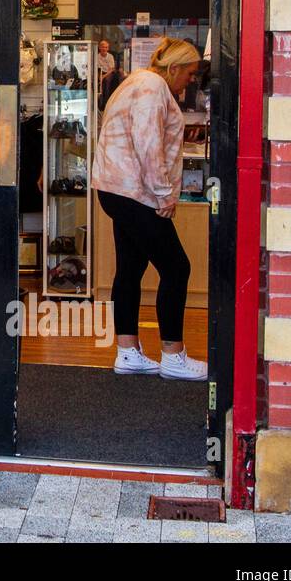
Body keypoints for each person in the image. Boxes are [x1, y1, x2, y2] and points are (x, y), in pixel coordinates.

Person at [91, 37, 206, 380]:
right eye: (189, 74)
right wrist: (164, 194)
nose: (190, 81)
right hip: (136, 192)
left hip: (116, 188)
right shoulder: (154, 87)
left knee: (130, 268)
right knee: (177, 268)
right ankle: (173, 355)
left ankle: (128, 352)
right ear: (173, 68)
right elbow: (147, 143)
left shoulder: (134, 81)